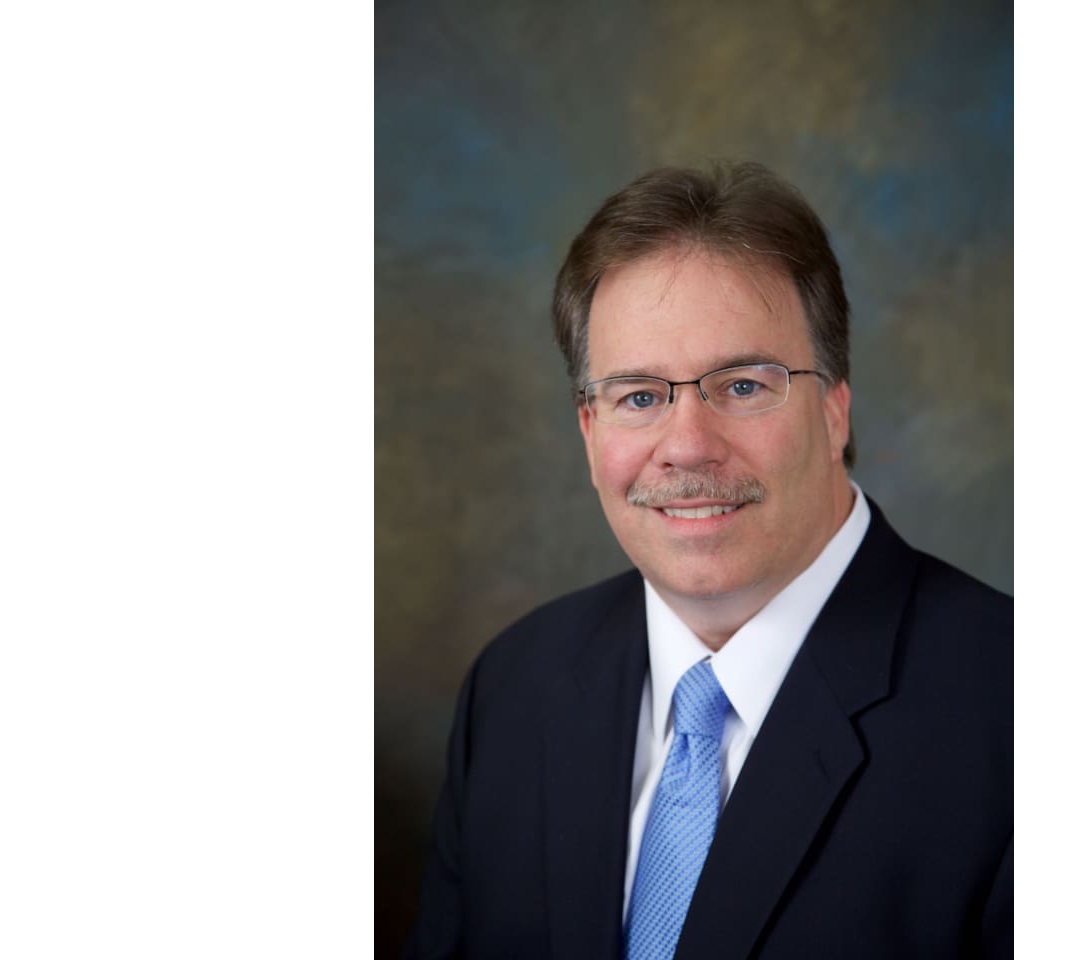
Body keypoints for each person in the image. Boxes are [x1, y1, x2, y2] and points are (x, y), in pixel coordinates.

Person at [404, 162, 1012, 959]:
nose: (687, 445)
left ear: (835, 409)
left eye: (743, 385)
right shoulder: (516, 690)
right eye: (639, 396)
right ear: (591, 435)